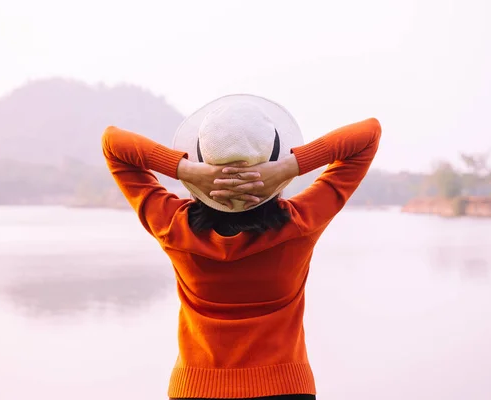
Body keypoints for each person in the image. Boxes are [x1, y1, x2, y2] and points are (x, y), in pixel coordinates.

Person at [102, 94, 382, 400]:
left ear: (202, 164)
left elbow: (112, 144)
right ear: (272, 166)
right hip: (285, 389)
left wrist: (185, 171)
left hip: (196, 391)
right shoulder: (298, 225)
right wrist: (292, 166)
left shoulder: (174, 226)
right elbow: (368, 134)